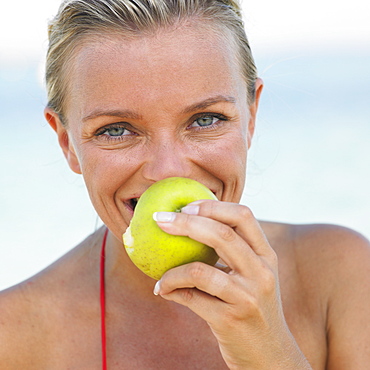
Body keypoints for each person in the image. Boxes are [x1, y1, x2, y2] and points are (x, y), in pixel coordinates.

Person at [1, 0, 369, 368]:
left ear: (250, 117)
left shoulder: (341, 276)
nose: (168, 170)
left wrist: (268, 350)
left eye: (205, 120)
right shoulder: (13, 336)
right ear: (67, 143)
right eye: (116, 130)